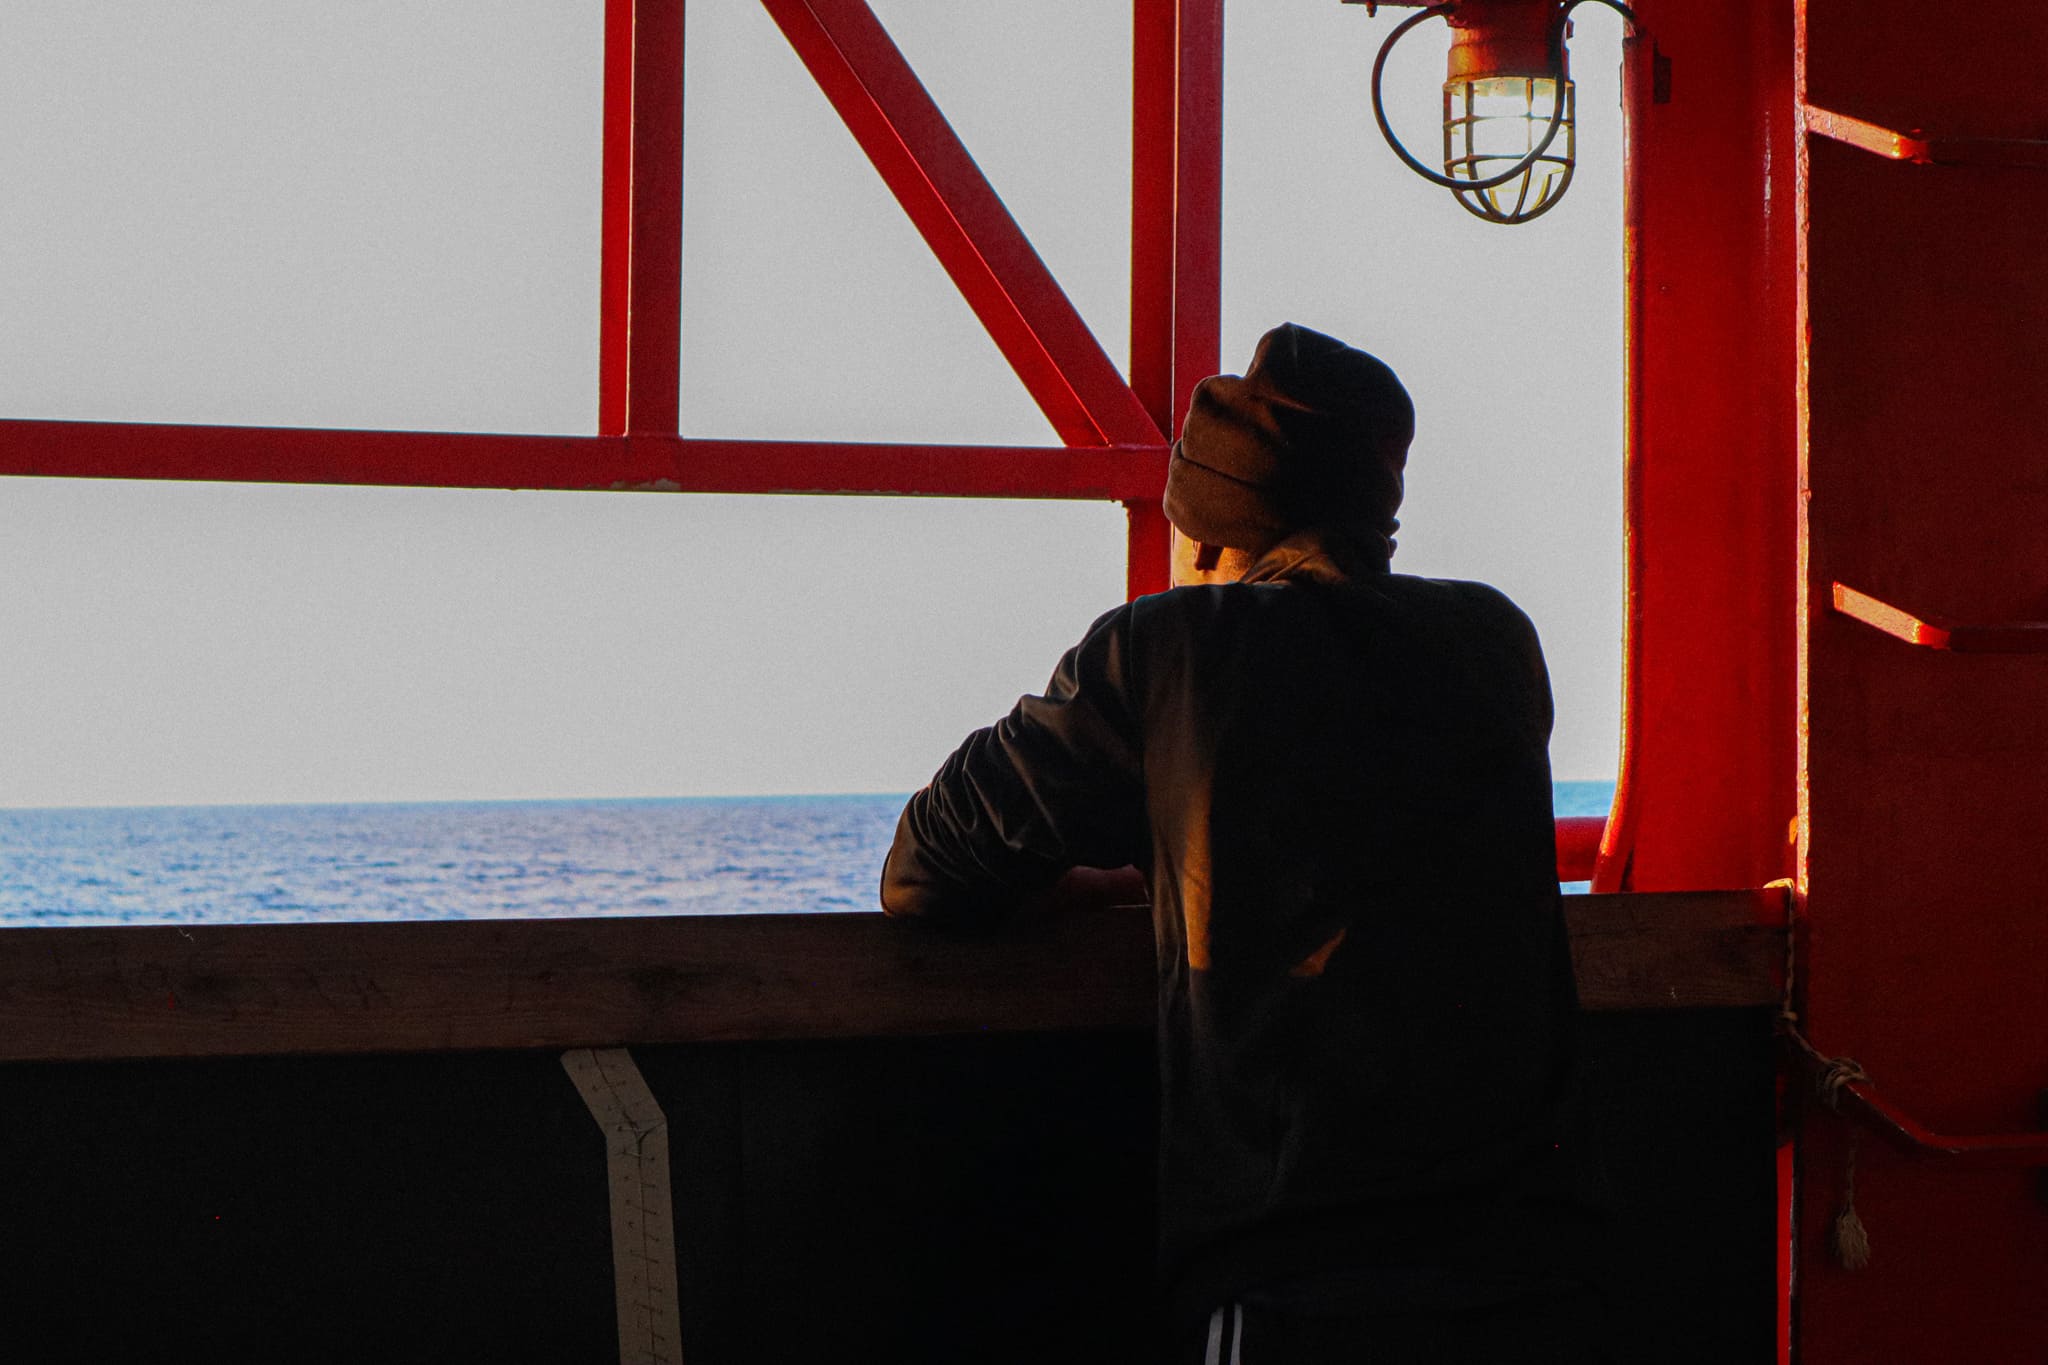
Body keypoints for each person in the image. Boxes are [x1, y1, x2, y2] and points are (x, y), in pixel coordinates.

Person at [881, 323, 1606, 1363]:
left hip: (1295, 1271)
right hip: (1531, 1261)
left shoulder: (1168, 648)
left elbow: (925, 870)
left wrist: (1110, 875)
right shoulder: (1496, 640)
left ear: (1213, 539)